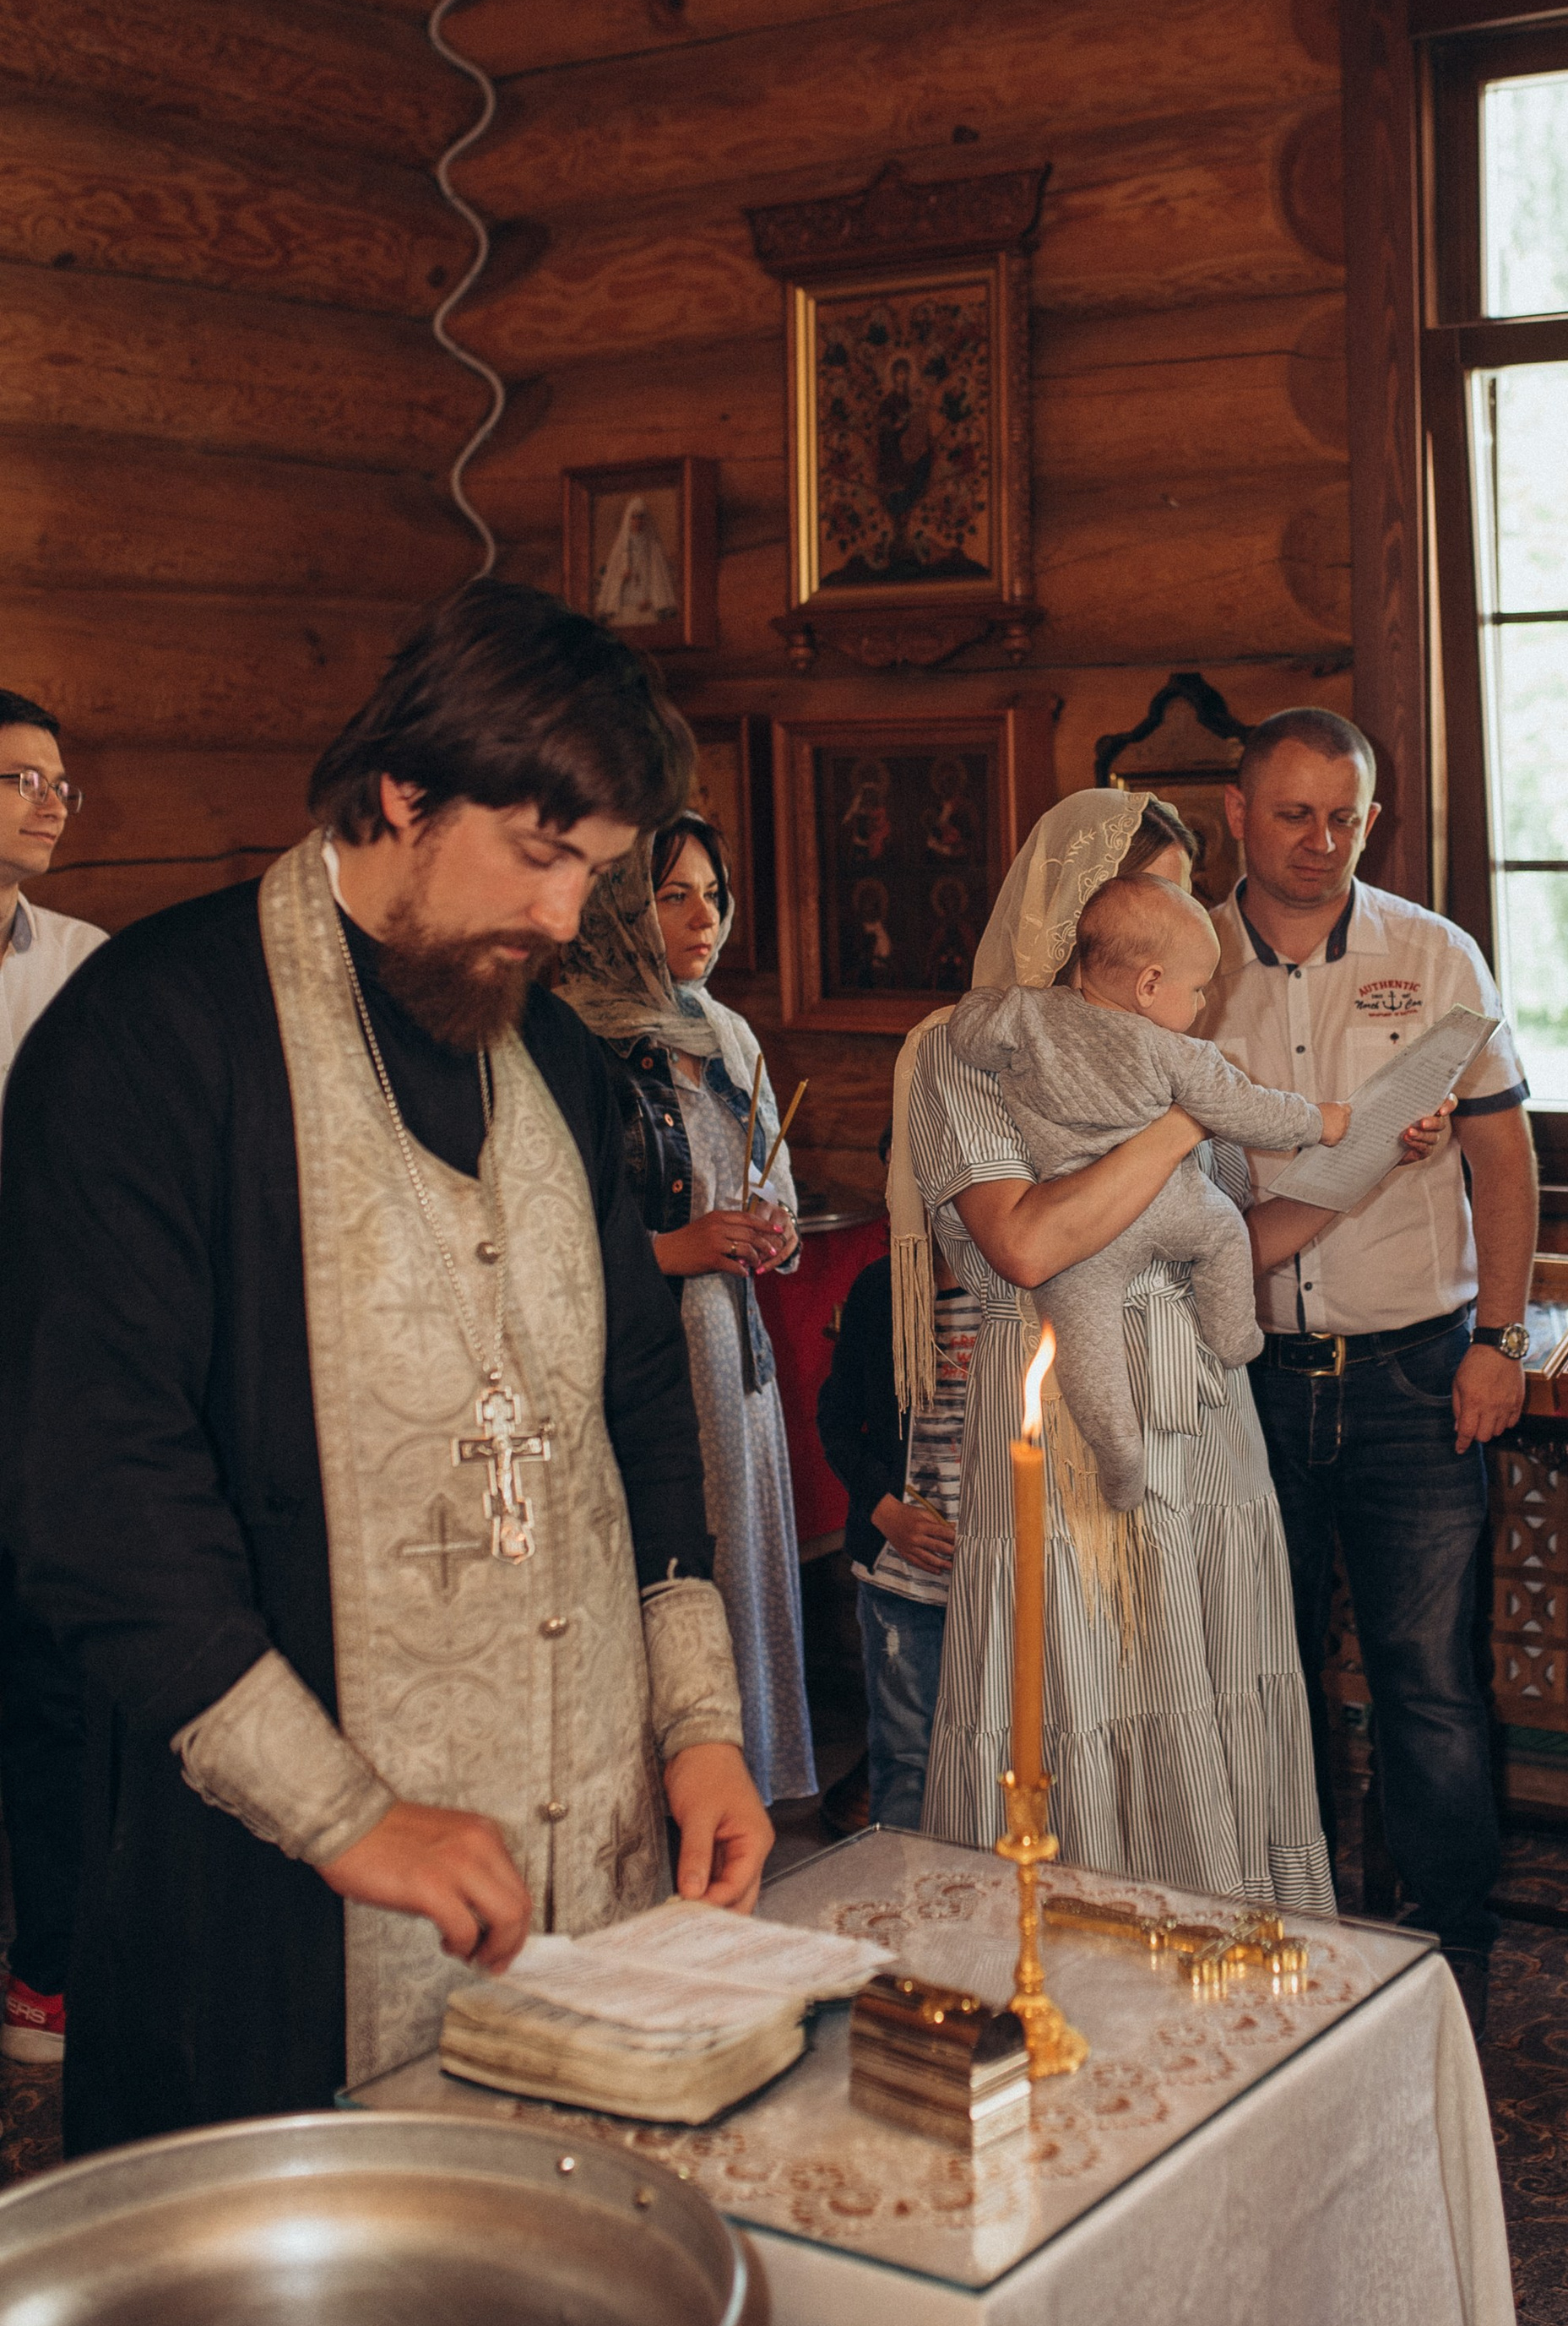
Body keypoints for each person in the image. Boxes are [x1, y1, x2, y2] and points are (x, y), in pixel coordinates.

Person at [0, 584, 773, 2154]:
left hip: (592, 1877)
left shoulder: (551, 1058)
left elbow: (638, 1396)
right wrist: (349, 1818)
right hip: (273, 1916)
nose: (565, 920)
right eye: (542, 855)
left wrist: (698, 1730)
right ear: (405, 791)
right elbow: (100, 1492)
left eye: (599, 874)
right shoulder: (151, 1037)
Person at [896, 789, 1334, 1916]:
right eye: (1159, 902)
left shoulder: (1168, 1059)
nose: (1186, 930)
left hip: (1202, 1405)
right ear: (1086, 925)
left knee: (1213, 1666)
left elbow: (1228, 1232)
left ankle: (1225, 1957)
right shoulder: (968, 1051)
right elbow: (1030, 1240)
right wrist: (1187, 1116)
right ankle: (1060, 1958)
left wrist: (1368, 1156)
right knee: (1074, 1678)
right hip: (1062, 1411)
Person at [1209, 709, 1538, 2036]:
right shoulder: (1178, 959)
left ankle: (1454, 1936)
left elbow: (1505, 1162)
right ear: (1238, 814)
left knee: (1426, 1669)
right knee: (1262, 1663)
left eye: (1344, 816)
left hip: (1415, 1369)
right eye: (1293, 813)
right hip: (1244, 1376)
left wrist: (1501, 1342)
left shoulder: (1434, 952)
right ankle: (1286, 1919)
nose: (1320, 841)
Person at [558, 818, 817, 1807]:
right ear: (623, 906)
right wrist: (674, 1248)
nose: (703, 914)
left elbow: (772, 1180)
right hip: (645, 1356)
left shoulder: (726, 1030)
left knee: (739, 1572)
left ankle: (736, 1784)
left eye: (714, 891)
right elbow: (551, 1235)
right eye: (673, 893)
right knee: (666, 1569)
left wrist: (774, 1231)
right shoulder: (576, 1040)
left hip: (730, 1351)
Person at [947, 874, 1347, 1509]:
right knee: (1223, 1232)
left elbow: (966, 1032)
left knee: (1085, 1339)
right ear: (1150, 984)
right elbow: (1252, 1113)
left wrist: (980, 1004)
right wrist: (1321, 1121)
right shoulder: (1178, 1052)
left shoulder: (1027, 1013)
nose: (1200, 1007)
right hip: (1170, 1203)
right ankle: (1233, 1334)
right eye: (1196, 990)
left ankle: (1118, 1452)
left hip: (1086, 1224)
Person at [0, 692, 105, 2068]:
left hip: (37, 1352)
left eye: (61, 786)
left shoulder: (85, 965)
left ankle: (46, 1969)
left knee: (45, 1665)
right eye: (19, 777)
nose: (48, 803)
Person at [816, 1209, 976, 1832]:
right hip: (902, 1580)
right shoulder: (881, 1290)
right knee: (907, 1759)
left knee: (1006, 1754)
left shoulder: (1018, 1290)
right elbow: (837, 1420)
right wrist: (885, 1512)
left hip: (1005, 1575)